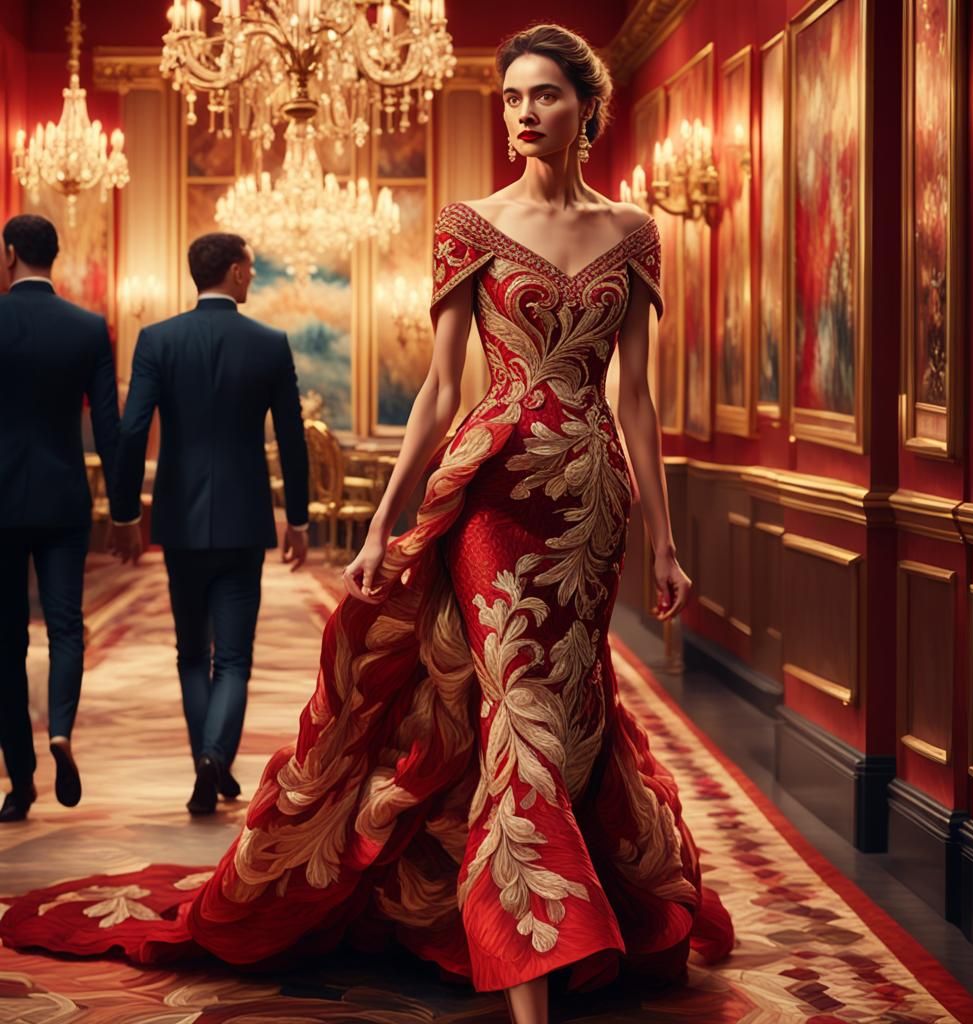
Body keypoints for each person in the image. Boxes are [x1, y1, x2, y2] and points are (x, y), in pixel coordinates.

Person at [0, 24, 733, 1024]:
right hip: (491, 493)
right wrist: (388, 518)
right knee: (516, 712)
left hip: (590, 502)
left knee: (560, 718)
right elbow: (437, 389)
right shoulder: (469, 223)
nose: (524, 112)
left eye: (545, 95)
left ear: (585, 107)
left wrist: (667, 540)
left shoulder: (634, 234)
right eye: (512, 95)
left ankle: (532, 905)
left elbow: (638, 397)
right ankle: (531, 985)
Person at [108, 233, 310, 816]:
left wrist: (125, 513)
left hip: (179, 519)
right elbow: (291, 441)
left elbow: (128, 431)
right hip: (246, 520)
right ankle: (214, 758)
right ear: (234, 271)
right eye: (248, 265)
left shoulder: (158, 340)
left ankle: (209, 757)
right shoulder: (270, 344)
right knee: (236, 658)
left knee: (191, 654)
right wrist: (297, 518)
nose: (252, 273)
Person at [0, 214, 121, 822]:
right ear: (53, 256)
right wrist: (123, 509)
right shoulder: (87, 328)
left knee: (7, 641)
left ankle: (19, 782)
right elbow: (107, 427)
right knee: (67, 625)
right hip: (64, 499)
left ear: (11, 253)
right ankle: (61, 729)